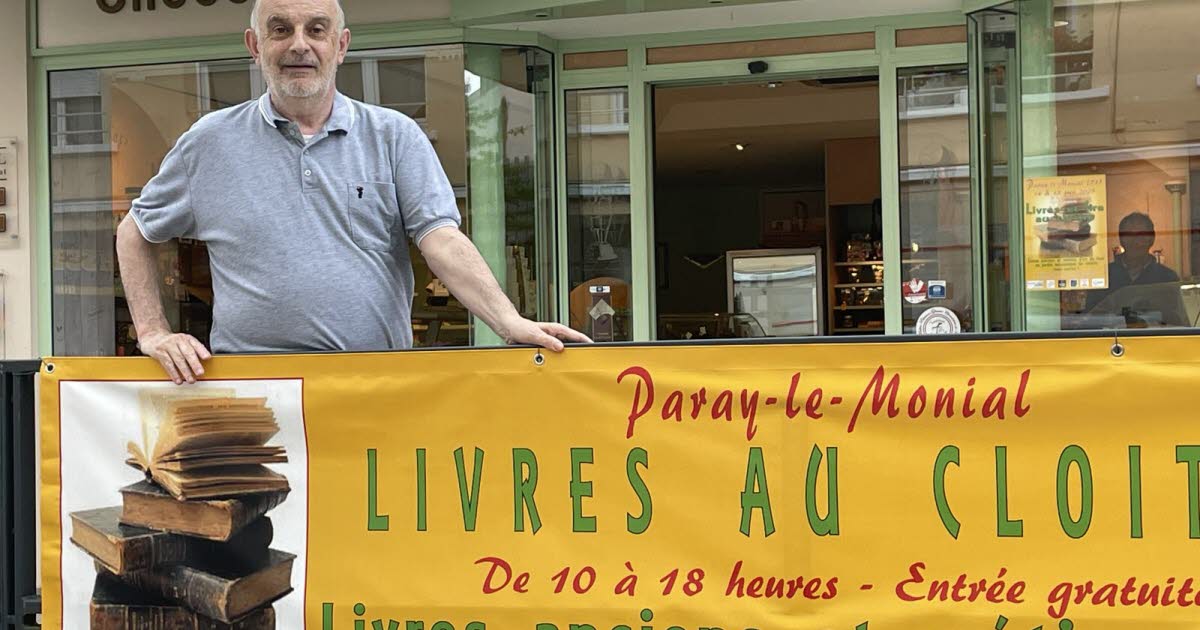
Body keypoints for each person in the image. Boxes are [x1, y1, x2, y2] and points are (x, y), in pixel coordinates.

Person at [115, 0, 590, 384]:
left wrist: (508, 323)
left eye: (316, 30)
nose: (299, 45)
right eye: (280, 29)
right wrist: (153, 333)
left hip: (374, 386)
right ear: (254, 46)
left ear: (340, 46)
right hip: (255, 391)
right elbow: (134, 232)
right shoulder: (209, 142)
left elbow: (441, 240)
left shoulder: (394, 135)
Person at [1085, 212, 1187, 326]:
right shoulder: (1104, 275)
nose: (1135, 241)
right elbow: (1090, 320)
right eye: (1129, 235)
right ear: (1121, 239)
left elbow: (1177, 322)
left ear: (1152, 239)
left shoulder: (1168, 278)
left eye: (1142, 235)